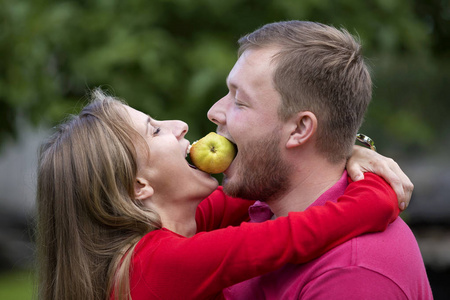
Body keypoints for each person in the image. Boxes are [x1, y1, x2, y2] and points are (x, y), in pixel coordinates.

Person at [36, 89, 408, 300]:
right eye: (154, 131)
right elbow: (308, 231)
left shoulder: (164, 235)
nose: (180, 125)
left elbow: (283, 173)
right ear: (138, 187)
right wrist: (377, 184)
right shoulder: (160, 263)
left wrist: (348, 148)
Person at [206, 21, 432, 299]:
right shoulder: (261, 205)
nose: (214, 111)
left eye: (240, 101)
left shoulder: (353, 275)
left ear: (301, 129)